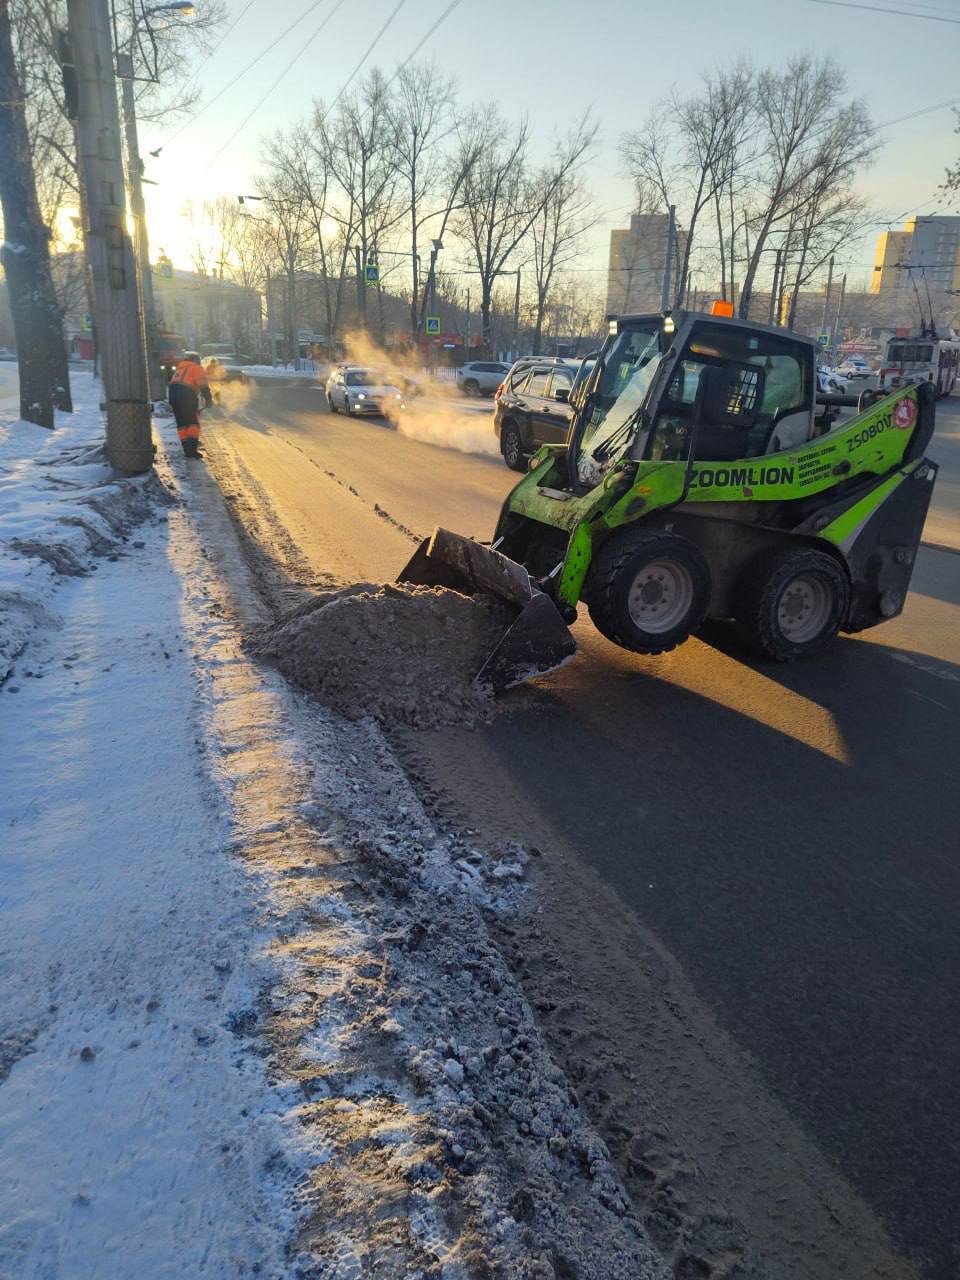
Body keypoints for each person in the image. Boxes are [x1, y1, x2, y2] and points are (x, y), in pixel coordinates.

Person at [168, 352, 211, 457]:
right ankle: (191, 449)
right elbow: (203, 384)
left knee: (182, 423)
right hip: (186, 395)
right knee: (193, 423)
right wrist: (208, 399)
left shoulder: (180, 369)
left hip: (173, 396)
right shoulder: (195, 368)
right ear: (196, 361)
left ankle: (186, 447)